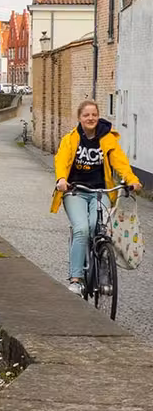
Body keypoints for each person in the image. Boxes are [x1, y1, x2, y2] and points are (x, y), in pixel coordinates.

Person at [51, 100, 142, 295]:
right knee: (82, 229)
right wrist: (61, 179)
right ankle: (76, 279)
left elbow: (120, 162)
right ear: (79, 118)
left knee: (99, 229)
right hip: (75, 191)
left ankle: (102, 271)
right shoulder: (70, 139)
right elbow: (61, 159)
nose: (90, 118)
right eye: (86, 115)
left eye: (94, 114)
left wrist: (132, 180)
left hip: (100, 192)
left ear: (98, 116)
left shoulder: (107, 139)